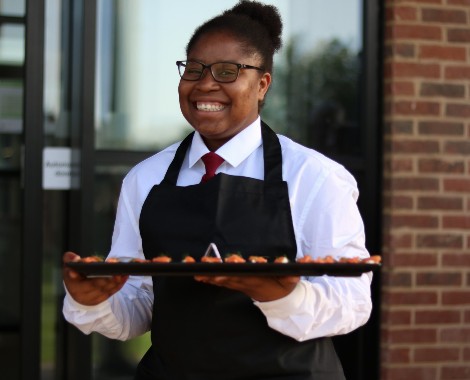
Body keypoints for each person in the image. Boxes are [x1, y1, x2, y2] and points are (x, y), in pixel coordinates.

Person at [62, 1, 372, 379]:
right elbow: (141, 302)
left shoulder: (316, 177)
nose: (205, 83)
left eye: (228, 71)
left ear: (262, 85)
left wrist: (280, 295)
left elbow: (353, 302)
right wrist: (97, 302)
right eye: (194, 69)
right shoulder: (145, 179)